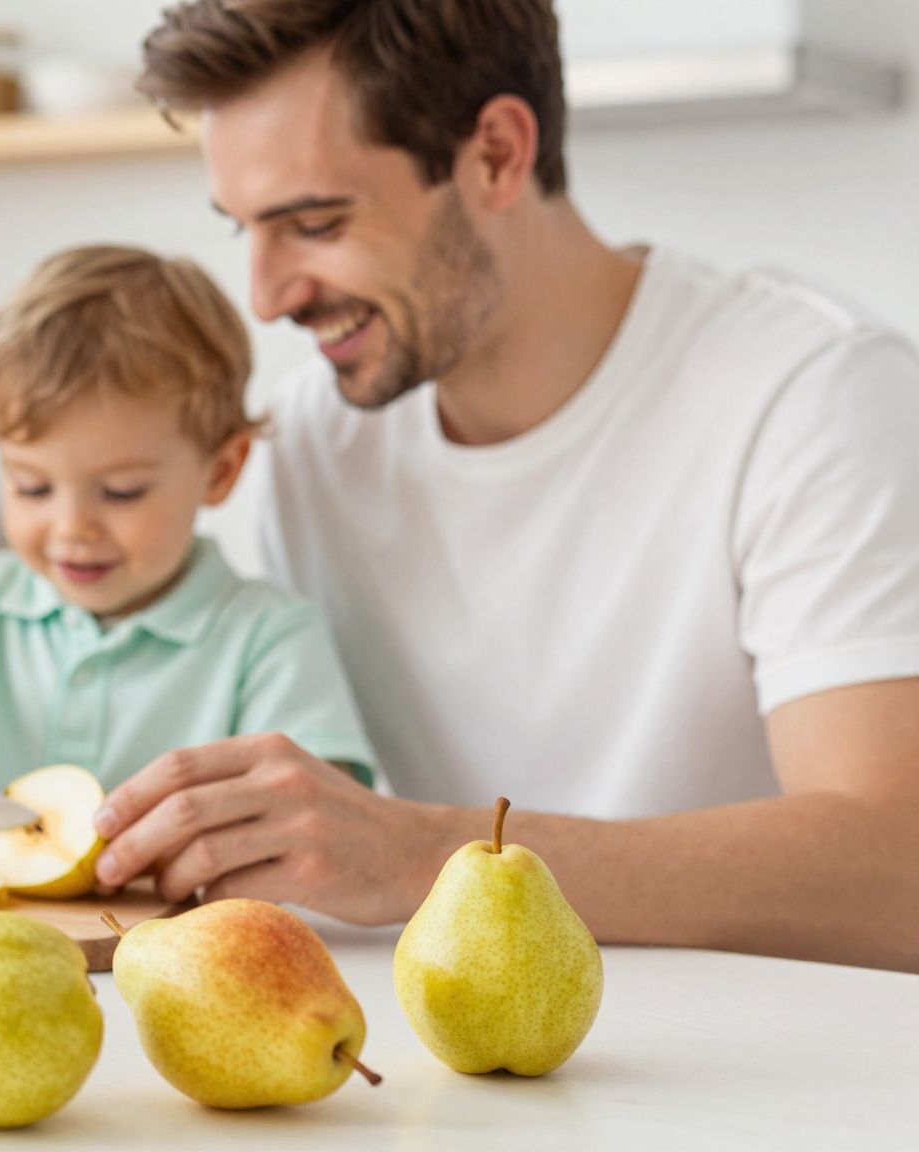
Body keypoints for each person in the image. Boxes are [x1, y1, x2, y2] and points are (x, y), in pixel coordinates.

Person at [92, 0, 919, 971]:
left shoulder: (809, 395)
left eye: (311, 223)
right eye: (243, 230)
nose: (267, 295)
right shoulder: (313, 441)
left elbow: (894, 869)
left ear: (493, 153)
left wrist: (427, 853)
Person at [0, 245, 378, 853]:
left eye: (120, 492)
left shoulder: (268, 639)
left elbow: (328, 813)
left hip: (165, 945)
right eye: (32, 486)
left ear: (220, 470)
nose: (71, 526)